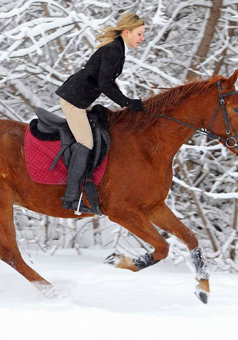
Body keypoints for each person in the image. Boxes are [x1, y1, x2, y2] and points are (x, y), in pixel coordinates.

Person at [56, 13, 146, 214]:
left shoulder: (118, 49)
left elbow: (106, 81)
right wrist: (126, 103)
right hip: (74, 101)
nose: (142, 38)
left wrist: (127, 102)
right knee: (85, 142)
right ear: (127, 32)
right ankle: (71, 198)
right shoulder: (114, 50)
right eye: (139, 34)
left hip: (82, 100)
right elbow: (104, 83)